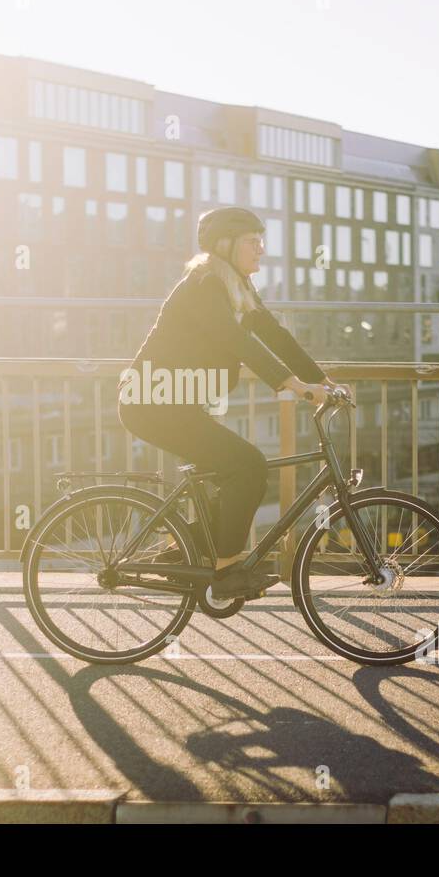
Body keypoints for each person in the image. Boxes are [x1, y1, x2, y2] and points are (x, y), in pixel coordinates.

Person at [117, 207, 350, 600]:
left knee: (229, 473)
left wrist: (321, 379)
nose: (261, 248)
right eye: (251, 241)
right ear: (225, 245)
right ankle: (226, 570)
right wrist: (292, 385)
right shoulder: (205, 284)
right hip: (152, 402)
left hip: (177, 401)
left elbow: (273, 334)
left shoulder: (234, 283)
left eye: (262, 240)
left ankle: (184, 555)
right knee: (247, 464)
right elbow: (237, 341)